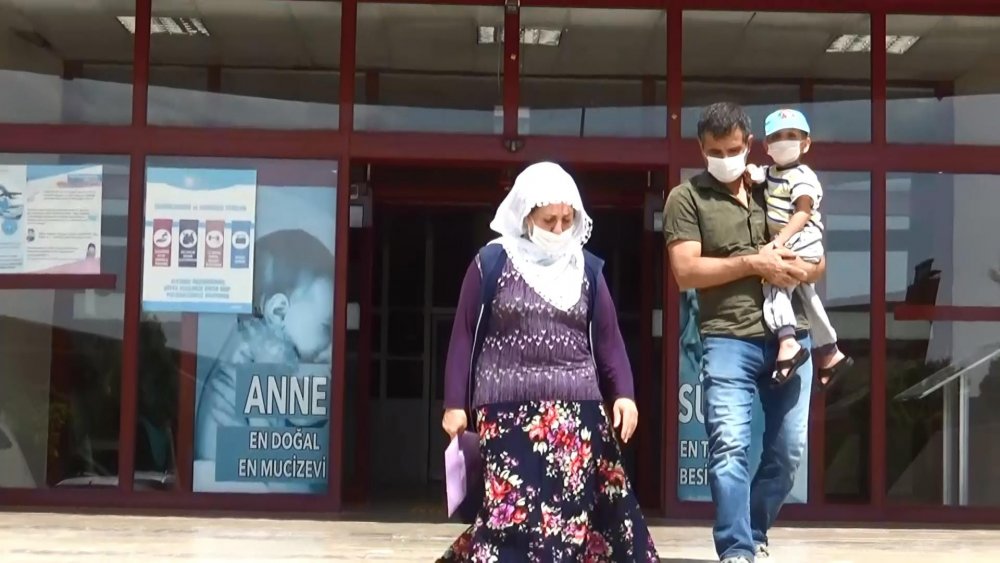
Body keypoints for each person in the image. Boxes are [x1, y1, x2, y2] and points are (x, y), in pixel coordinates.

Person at [439, 162, 659, 562]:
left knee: (572, 517)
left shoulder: (587, 269)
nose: (558, 230)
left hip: (578, 414)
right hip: (505, 413)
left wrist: (624, 394)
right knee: (510, 516)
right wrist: (455, 404)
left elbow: (608, 339)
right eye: (548, 221)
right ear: (526, 217)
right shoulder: (491, 263)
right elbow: (463, 333)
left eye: (566, 220)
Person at [663, 102, 826, 563]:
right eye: (714, 151)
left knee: (789, 451)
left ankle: (753, 530)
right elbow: (686, 271)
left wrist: (799, 269)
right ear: (700, 148)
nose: (725, 158)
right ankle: (736, 549)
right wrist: (754, 263)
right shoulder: (686, 198)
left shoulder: (775, 185)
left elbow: (819, 262)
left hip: (791, 337)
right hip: (727, 338)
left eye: (733, 149)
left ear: (749, 144)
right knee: (729, 446)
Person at [194, 229, 334, 493]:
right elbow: (287, 428)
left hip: (224, 469)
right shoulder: (266, 353)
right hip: (225, 478)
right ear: (278, 312)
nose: (332, 345)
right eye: (326, 327)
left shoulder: (256, 342)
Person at [748, 108, 853, 391]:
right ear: (766, 145)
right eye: (777, 136)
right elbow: (759, 175)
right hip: (794, 240)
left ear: (806, 143)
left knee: (774, 282)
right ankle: (830, 352)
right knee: (807, 296)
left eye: (792, 135)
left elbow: (802, 213)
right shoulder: (772, 173)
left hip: (802, 237)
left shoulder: (804, 176)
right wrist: (750, 173)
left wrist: (778, 242)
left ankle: (787, 342)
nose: (784, 141)